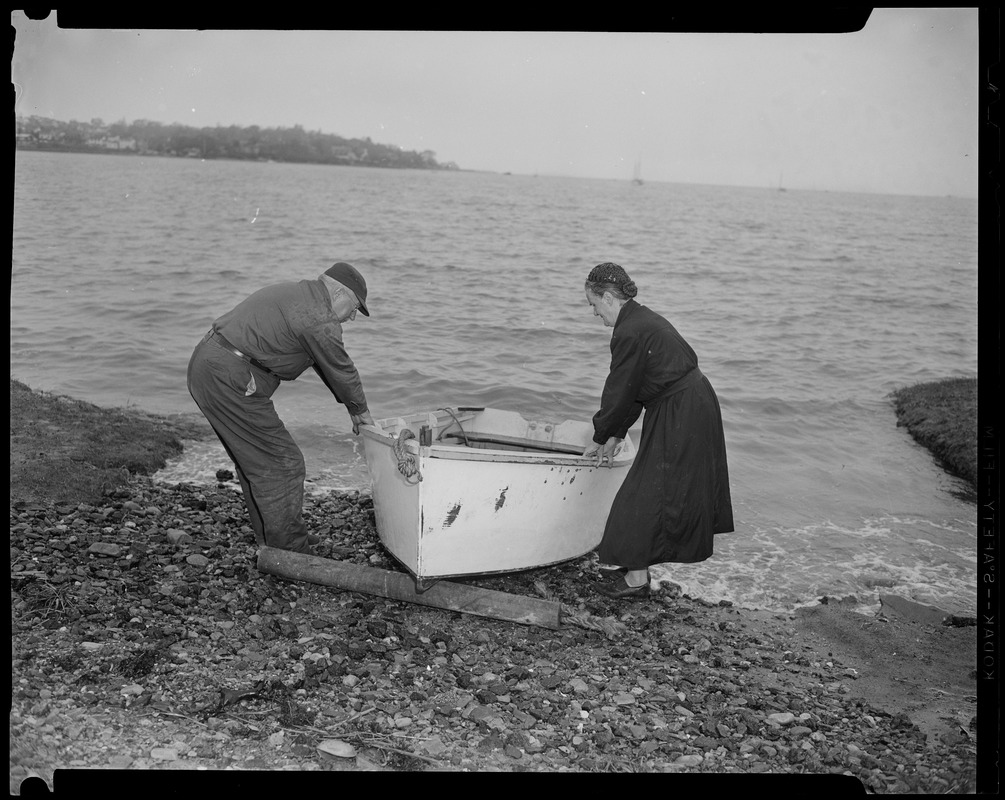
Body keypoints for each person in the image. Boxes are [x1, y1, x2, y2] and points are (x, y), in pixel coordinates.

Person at [187, 261, 376, 554]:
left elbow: (325, 366)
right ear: (338, 293)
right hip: (229, 375)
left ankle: (276, 540)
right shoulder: (318, 316)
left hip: (213, 365)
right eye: (353, 308)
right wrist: (362, 411)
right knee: (283, 464)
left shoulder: (301, 297)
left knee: (258, 462)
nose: (352, 317)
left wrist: (351, 408)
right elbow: (340, 366)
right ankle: (288, 551)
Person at [582, 262, 734, 599]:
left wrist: (600, 435)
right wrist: (615, 433)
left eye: (593, 305)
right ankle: (636, 568)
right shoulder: (638, 319)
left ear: (608, 298)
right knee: (652, 489)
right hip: (685, 403)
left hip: (682, 410)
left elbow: (620, 390)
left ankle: (637, 580)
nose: (594, 314)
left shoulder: (629, 330)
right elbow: (634, 389)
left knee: (645, 492)